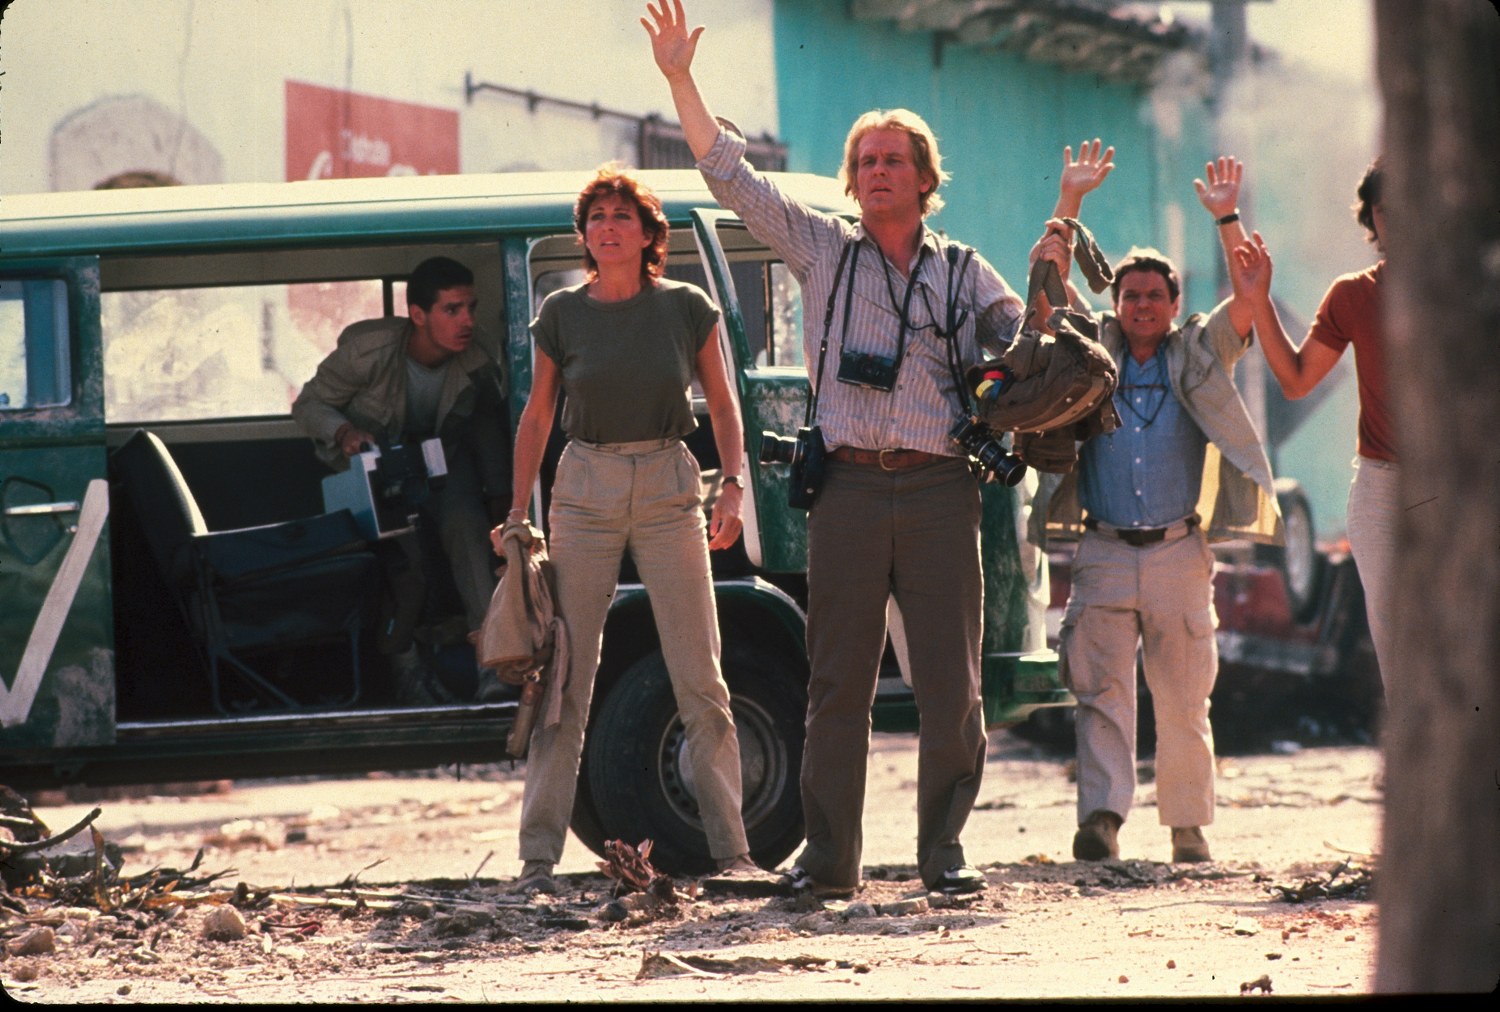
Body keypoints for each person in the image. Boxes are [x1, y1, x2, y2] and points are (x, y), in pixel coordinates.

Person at [644, 0, 1041, 897]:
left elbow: (1024, 353)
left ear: (925, 179)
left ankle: (943, 854)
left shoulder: (963, 270)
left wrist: (1054, 254)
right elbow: (732, 179)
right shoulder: (823, 249)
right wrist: (681, 80)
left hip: (940, 490)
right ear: (851, 182)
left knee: (952, 687)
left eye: (894, 160)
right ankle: (829, 863)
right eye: (865, 161)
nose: (877, 171)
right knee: (836, 687)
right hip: (849, 491)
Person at [498, 163, 767, 895]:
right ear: (584, 236)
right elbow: (538, 415)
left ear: (649, 234)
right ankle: (536, 861)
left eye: (623, 216)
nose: (609, 227)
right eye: (597, 217)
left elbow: (723, 402)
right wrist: (518, 514)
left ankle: (734, 853)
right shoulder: (562, 312)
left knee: (699, 672)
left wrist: (733, 485)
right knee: (565, 674)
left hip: (668, 484)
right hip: (584, 487)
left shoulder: (685, 305)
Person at [1030, 153, 1283, 864]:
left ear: (1174, 304)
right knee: (1100, 694)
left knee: (1184, 700)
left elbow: (1247, 299)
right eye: (1130, 295)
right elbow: (1046, 292)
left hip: (1179, 551)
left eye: (1154, 296)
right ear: (1116, 304)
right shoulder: (1090, 352)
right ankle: (1102, 820)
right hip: (1105, 551)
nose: (1141, 305)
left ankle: (1187, 828)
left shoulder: (1198, 354)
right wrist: (1069, 200)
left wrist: (1227, 218)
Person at [292, 256, 511, 705]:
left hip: (442, 461)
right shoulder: (368, 352)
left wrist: (500, 495)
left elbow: (486, 424)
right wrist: (345, 432)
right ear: (418, 315)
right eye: (452, 309)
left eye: (471, 307)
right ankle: (407, 672)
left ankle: (494, 664)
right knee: (403, 565)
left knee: (471, 536)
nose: (467, 321)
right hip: (376, 468)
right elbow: (309, 404)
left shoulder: (479, 359)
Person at [1226, 159, 1396, 690]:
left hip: (1461, 485)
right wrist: (1258, 300)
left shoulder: (1466, 293)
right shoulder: (1354, 293)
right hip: (1382, 487)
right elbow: (1297, 379)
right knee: (1399, 652)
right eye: (1384, 211)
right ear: (1371, 219)